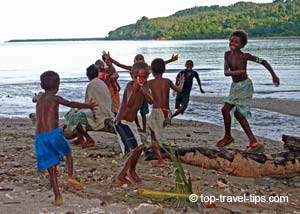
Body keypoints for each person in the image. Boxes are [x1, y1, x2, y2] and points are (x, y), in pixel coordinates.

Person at [35, 70, 97, 206]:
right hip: (53, 133)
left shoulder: (40, 98)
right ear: (57, 86)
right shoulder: (55, 98)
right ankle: (70, 176)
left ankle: (58, 196)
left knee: (51, 168)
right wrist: (88, 105)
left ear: (42, 85)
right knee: (68, 153)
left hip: (40, 137)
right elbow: (72, 104)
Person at [216, 30, 280, 153]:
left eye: (236, 42)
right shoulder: (227, 55)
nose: (232, 43)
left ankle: (229, 136)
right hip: (235, 86)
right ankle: (252, 140)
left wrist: (274, 75)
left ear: (242, 45)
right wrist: (238, 72)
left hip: (245, 86)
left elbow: (263, 61)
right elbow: (226, 72)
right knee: (237, 114)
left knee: (226, 110)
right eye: (231, 40)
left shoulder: (245, 56)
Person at [102, 51, 178, 132]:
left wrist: (170, 60)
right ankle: (137, 125)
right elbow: (120, 64)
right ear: (134, 61)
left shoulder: (146, 68)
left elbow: (158, 65)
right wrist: (110, 59)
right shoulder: (132, 68)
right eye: (137, 59)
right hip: (134, 92)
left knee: (143, 112)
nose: (139, 60)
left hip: (143, 93)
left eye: (141, 58)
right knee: (133, 110)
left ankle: (144, 128)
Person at [114, 62, 153, 185]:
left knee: (137, 149)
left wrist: (144, 90)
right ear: (132, 76)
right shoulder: (130, 86)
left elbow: (151, 101)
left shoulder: (145, 86)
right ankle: (125, 173)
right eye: (138, 77)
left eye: (144, 77)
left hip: (130, 123)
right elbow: (129, 104)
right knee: (136, 148)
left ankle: (129, 172)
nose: (141, 80)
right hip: (122, 122)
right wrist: (136, 89)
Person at [65, 65, 115, 148]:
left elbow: (88, 103)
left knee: (74, 115)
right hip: (106, 110)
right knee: (76, 111)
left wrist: (78, 108)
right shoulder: (101, 83)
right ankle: (80, 138)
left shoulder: (91, 85)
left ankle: (88, 139)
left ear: (88, 76)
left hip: (99, 113)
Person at [148, 58, 184, 167]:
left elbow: (144, 94)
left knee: (154, 136)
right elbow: (179, 90)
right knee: (158, 133)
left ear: (152, 71)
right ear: (164, 70)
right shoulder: (167, 81)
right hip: (167, 112)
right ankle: (161, 154)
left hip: (157, 112)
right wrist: (181, 82)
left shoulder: (150, 83)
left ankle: (160, 160)